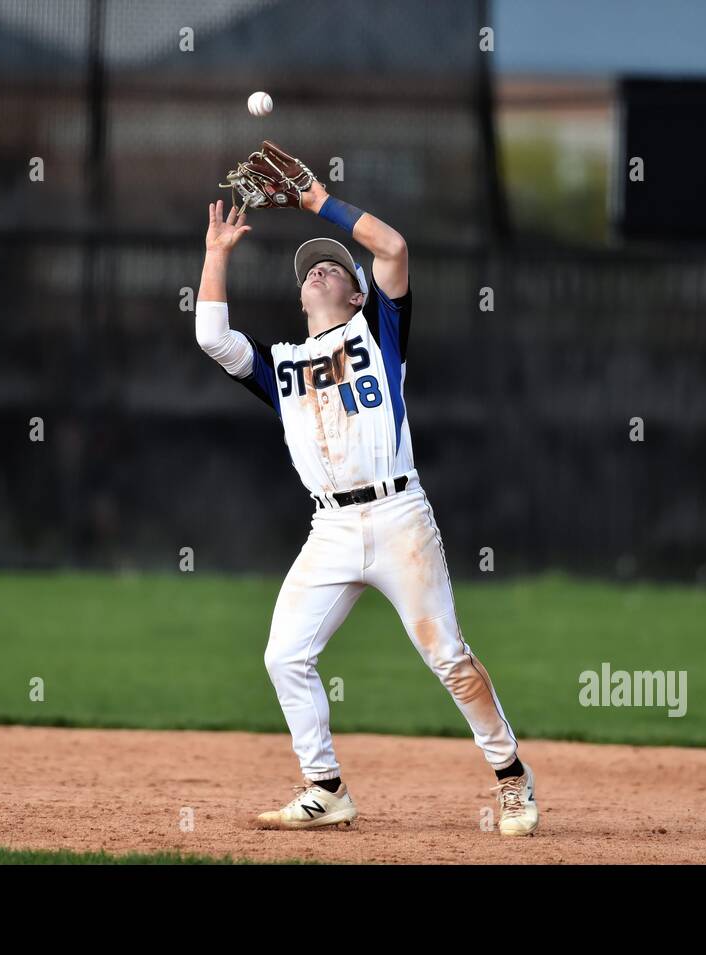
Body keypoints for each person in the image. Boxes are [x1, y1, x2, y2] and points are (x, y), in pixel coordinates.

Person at [194, 183, 538, 836]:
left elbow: (394, 247)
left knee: (449, 657)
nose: (318, 269)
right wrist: (217, 254)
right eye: (308, 270)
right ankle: (326, 788)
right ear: (300, 298)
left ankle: (511, 777)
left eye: (333, 266)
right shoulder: (284, 366)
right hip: (331, 527)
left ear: (357, 295)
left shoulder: (380, 334)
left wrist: (318, 200)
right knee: (284, 655)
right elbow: (213, 337)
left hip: (400, 518)